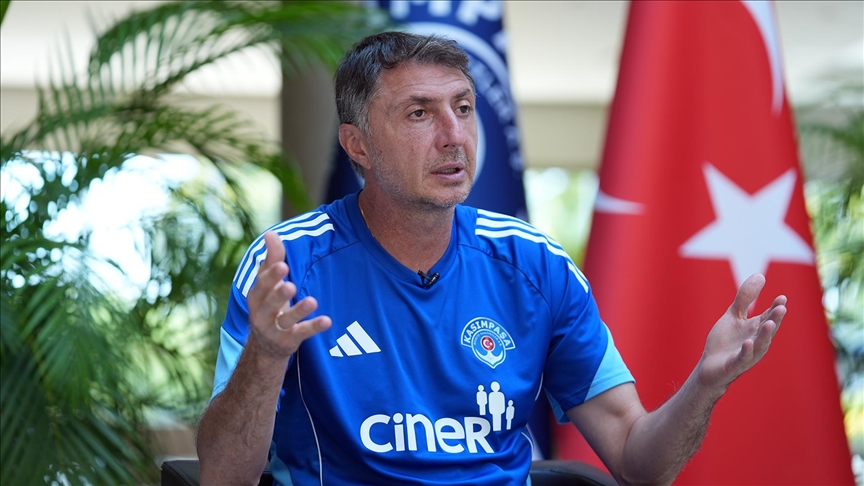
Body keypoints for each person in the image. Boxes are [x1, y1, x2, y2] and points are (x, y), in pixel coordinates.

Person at [195, 31, 787, 486]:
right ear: (358, 145)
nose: (454, 134)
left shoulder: (536, 266)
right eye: (419, 113)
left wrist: (704, 386)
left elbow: (638, 460)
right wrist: (266, 355)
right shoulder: (289, 265)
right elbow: (222, 476)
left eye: (463, 107)